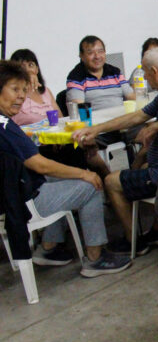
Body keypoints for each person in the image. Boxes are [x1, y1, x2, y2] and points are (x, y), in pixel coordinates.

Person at [0, 60, 131, 276]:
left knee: (60, 179)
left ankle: (49, 248)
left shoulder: (5, 123)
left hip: (13, 194)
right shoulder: (4, 125)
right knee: (92, 186)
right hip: (23, 200)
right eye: (15, 89)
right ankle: (95, 258)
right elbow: (39, 164)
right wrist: (85, 173)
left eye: (24, 91)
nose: (21, 96)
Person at [73, 47, 158, 255]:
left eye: (145, 74)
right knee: (139, 164)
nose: (145, 80)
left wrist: (154, 127)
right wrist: (97, 129)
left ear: (154, 71)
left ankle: (133, 240)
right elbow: (137, 116)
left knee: (111, 181)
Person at [66, 35, 135, 110]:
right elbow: (80, 109)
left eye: (100, 51)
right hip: (96, 120)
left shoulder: (115, 72)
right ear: (81, 56)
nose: (97, 56)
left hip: (122, 117)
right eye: (90, 53)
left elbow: (132, 97)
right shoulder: (76, 77)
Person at [9, 49, 62, 126]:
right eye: (21, 66)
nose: (27, 70)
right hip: (24, 136)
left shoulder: (46, 91)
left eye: (30, 65)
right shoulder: (12, 92)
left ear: (37, 69)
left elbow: (59, 118)